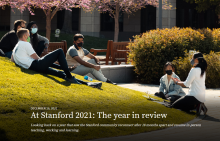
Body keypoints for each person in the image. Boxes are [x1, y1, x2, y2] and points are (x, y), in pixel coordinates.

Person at [11, 28, 102, 88]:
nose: (29, 37)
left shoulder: (16, 46)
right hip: (36, 65)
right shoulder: (26, 44)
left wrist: (49, 62)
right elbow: (37, 58)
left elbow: (12, 59)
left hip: (33, 66)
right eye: (28, 35)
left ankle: (88, 84)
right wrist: (47, 60)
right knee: (59, 51)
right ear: (24, 36)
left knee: (60, 73)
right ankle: (70, 76)